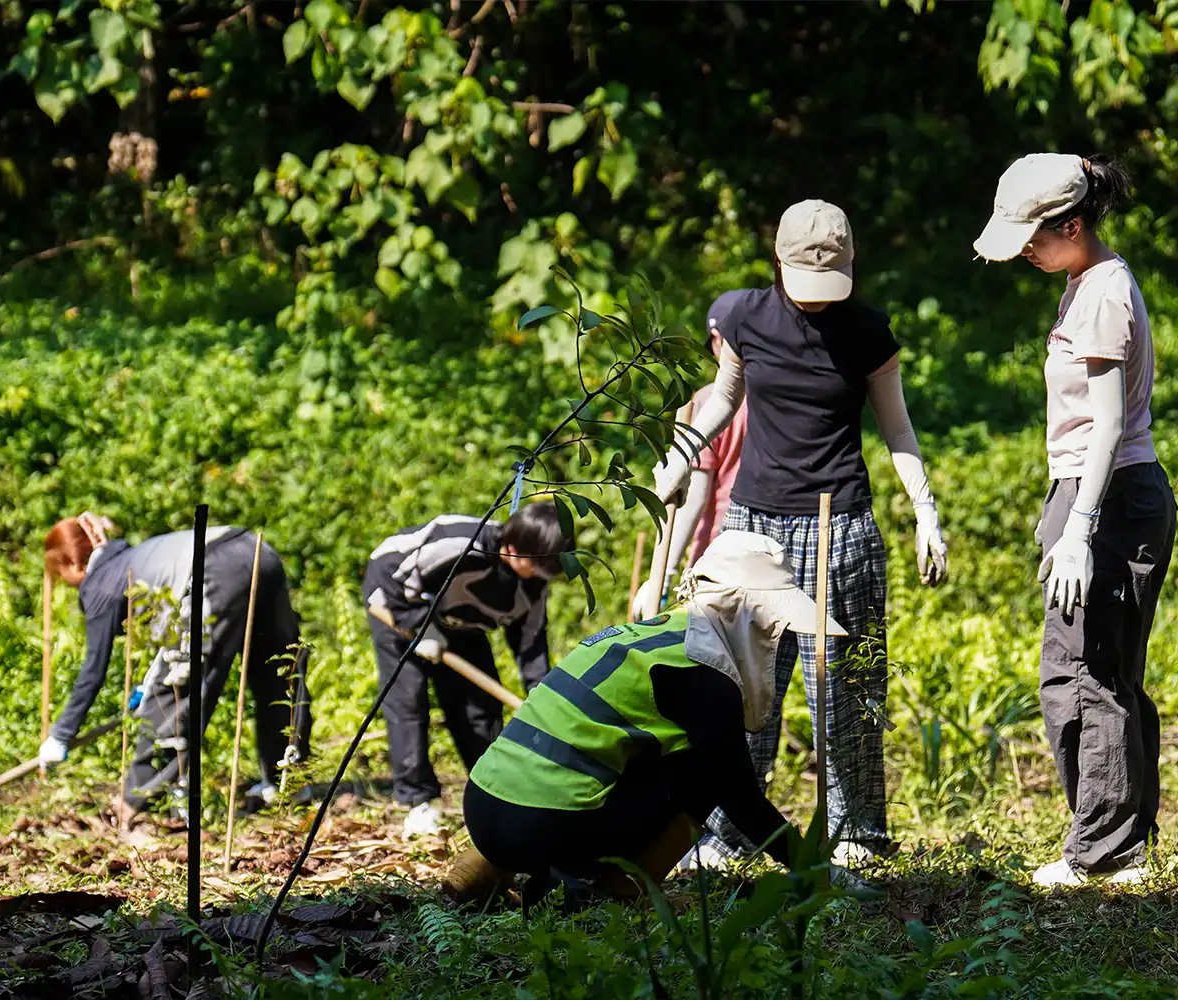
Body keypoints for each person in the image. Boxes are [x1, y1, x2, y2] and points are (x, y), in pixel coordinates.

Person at [648, 200, 949, 868]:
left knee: (843, 690)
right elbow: (725, 397)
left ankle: (856, 834)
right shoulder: (742, 315)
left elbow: (897, 428)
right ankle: (726, 833)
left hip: (837, 524)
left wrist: (926, 511)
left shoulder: (868, 332)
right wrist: (679, 456)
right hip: (753, 528)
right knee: (736, 685)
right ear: (777, 263)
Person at [973, 152, 1178, 887]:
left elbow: (1107, 424)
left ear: (1073, 223)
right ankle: (1121, 839)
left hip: (1113, 494)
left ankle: (1103, 848)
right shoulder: (1083, 282)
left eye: (1034, 234)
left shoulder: (1102, 295)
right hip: (1100, 492)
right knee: (1100, 669)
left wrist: (1080, 525)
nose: (1025, 248)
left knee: (1085, 673)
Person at [456, 530, 856, 903]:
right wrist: (817, 870)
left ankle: (486, 869)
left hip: (482, 804)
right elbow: (741, 801)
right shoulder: (702, 672)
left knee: (675, 755)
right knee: (705, 775)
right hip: (537, 826)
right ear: (745, 610)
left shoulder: (651, 633)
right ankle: (610, 893)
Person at [40, 512, 311, 817]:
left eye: (61, 576)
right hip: (257, 549)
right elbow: (173, 635)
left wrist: (61, 734)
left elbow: (93, 670)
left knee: (175, 690)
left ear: (73, 565)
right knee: (278, 670)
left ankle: (143, 806)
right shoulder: (134, 557)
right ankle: (288, 783)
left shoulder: (100, 584)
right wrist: (147, 683)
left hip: (216, 568)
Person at [362, 502, 568, 838]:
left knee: (481, 712)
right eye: (539, 565)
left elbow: (530, 644)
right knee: (409, 704)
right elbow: (385, 573)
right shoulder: (457, 544)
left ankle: (496, 793)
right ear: (513, 549)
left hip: (463, 625)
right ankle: (419, 802)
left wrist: (542, 699)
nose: (543, 576)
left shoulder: (535, 581)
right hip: (401, 611)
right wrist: (418, 626)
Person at [631, 289, 751, 618]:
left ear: (716, 337)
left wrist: (663, 575)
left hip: (716, 556)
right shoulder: (774, 397)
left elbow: (693, 497)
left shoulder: (708, 401)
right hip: (767, 555)